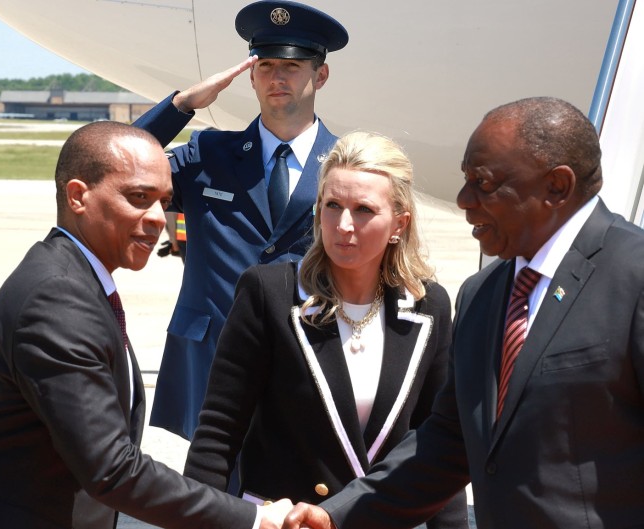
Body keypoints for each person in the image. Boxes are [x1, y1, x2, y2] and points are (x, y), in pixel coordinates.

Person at [282, 97, 644, 529]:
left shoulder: (633, 278)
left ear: (557, 187)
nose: (463, 199)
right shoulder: (482, 294)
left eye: (483, 183)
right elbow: (448, 441)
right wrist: (336, 515)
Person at [0, 121, 292, 529]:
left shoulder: (76, 279)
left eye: (165, 201)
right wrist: (255, 519)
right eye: (138, 198)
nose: (158, 218)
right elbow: (112, 469)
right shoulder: (58, 298)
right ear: (78, 197)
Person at [184, 131, 468, 528]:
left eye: (364, 209)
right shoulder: (270, 293)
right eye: (332, 205)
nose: (344, 225)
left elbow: (437, 447)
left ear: (399, 224)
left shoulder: (428, 306)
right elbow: (218, 432)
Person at [133, 0, 349, 439]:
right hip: (212, 357)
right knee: (215, 499)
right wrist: (180, 105)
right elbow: (113, 164)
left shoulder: (348, 163)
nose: (277, 76)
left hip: (309, 357)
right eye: (265, 64)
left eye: (292, 64)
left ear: (320, 75)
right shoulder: (208, 154)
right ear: (250, 75)